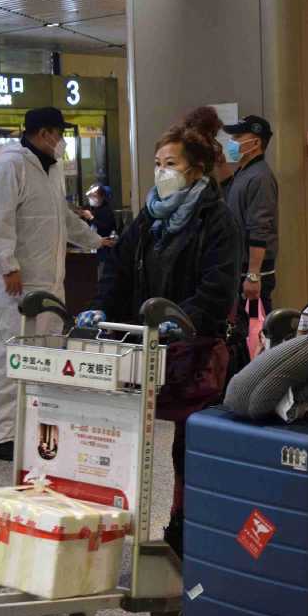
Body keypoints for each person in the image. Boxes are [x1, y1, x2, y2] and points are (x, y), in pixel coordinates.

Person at [75, 124, 241, 555]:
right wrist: (102, 307)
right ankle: (109, 524)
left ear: (197, 170)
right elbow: (118, 269)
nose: (162, 172)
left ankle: (185, 528)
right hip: (143, 349)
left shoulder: (216, 219)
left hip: (195, 351)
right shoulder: (149, 218)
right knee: (120, 435)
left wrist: (183, 318)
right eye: (157, 164)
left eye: (172, 165)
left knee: (190, 444)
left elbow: (218, 286)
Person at [0, 107, 112, 460]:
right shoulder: (10, 166)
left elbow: (61, 218)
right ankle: (2, 433)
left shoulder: (50, 170)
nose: (61, 141)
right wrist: (7, 265)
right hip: (19, 282)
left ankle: (37, 423)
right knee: (15, 353)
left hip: (51, 279)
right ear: (43, 133)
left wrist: (94, 240)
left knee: (47, 353)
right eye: (58, 134)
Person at [222, 114, 279, 311]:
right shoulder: (244, 171)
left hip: (254, 270)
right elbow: (229, 192)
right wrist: (219, 161)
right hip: (241, 265)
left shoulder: (260, 177)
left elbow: (259, 228)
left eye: (237, 137)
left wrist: (253, 276)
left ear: (255, 142)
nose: (232, 142)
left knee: (255, 330)